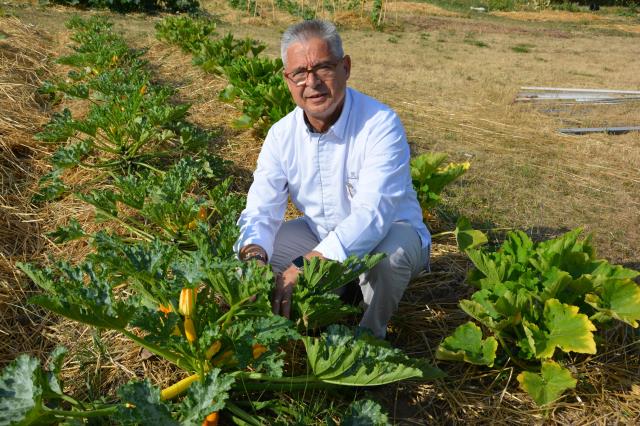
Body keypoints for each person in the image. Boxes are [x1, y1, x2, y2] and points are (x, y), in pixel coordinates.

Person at [233, 19, 430, 339]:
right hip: (319, 234)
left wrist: (305, 265)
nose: (311, 82)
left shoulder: (380, 124)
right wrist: (254, 253)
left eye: (323, 67)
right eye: (299, 72)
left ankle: (369, 337)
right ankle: (325, 300)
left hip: (392, 232)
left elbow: (373, 216)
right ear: (287, 79)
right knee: (255, 267)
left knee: (388, 258)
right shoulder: (281, 135)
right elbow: (260, 209)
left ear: (346, 67)